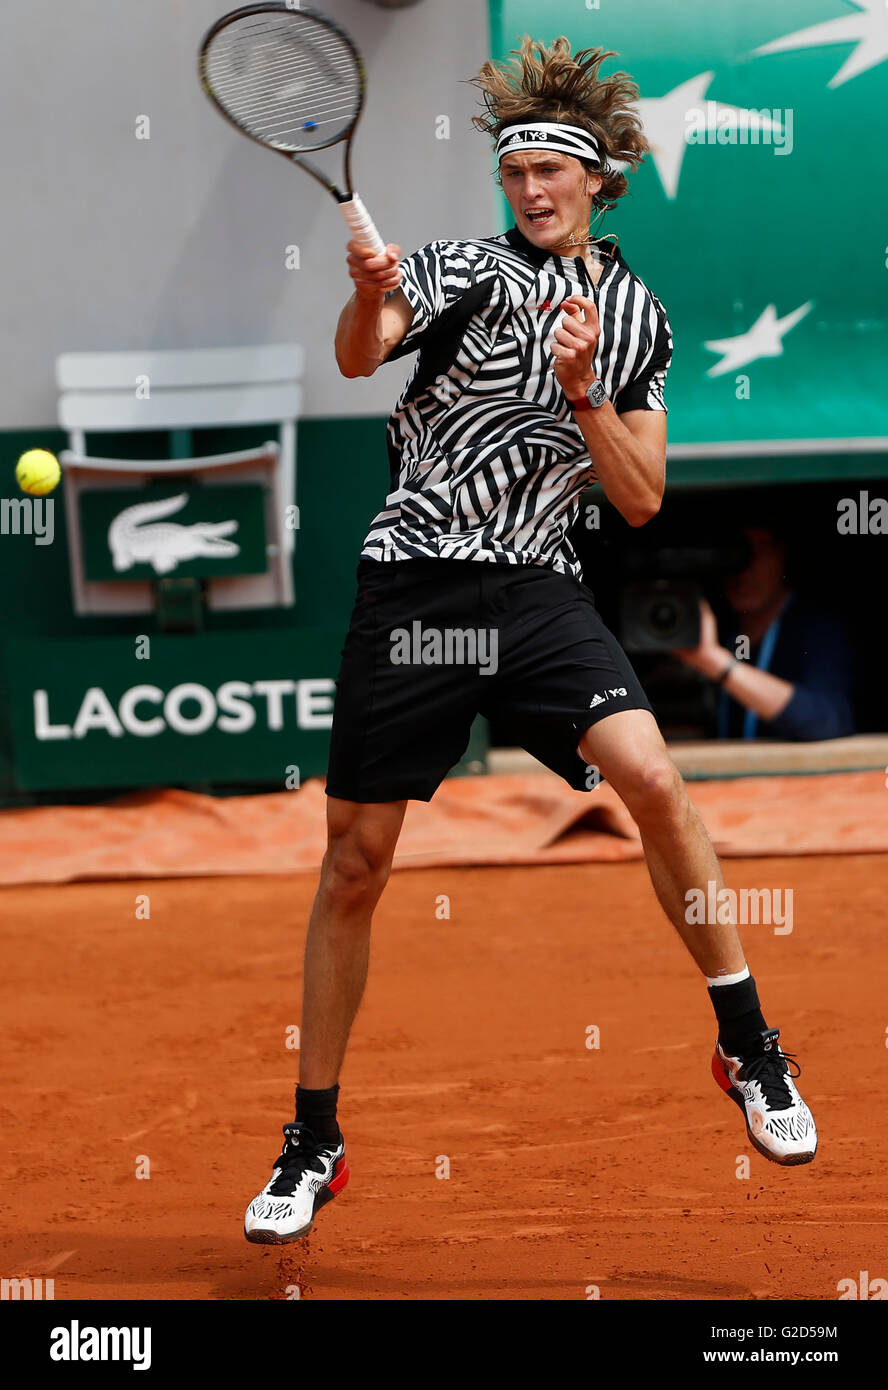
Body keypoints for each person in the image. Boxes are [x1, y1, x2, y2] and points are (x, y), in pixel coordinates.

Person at [244, 36, 817, 1247]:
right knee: (356, 865)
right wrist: (364, 291)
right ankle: (315, 1136)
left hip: (538, 595)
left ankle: (750, 1046)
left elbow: (643, 498)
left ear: (602, 180)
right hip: (410, 591)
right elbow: (362, 351)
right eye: (515, 174)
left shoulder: (631, 313)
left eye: (552, 170)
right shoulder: (453, 269)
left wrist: (583, 396)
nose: (532, 190)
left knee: (655, 779)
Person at [674, 525, 856, 741]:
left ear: (784, 554)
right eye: (734, 551)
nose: (745, 566)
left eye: (760, 548)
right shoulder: (712, 628)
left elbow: (825, 723)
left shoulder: (819, 628)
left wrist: (715, 662)